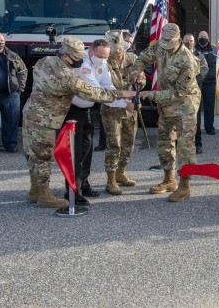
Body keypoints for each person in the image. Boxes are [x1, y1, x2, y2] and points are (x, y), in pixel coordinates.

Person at [23, 36, 135, 208]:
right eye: (77, 58)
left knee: (33, 153)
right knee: (44, 155)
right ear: (66, 56)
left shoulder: (45, 61)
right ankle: (44, 194)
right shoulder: (67, 76)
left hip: (31, 113)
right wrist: (122, 95)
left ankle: (35, 190)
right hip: (46, 118)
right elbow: (93, 93)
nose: (80, 61)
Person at [132, 23, 201, 202]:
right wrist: (135, 70)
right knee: (164, 139)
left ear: (179, 40)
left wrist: (151, 94)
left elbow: (178, 93)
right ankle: (169, 179)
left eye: (170, 44)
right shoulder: (160, 44)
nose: (166, 47)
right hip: (165, 102)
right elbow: (143, 58)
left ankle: (185, 185)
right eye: (164, 43)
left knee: (185, 145)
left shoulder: (187, 60)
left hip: (185, 104)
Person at [62, 39, 111, 204]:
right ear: (90, 51)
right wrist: (123, 98)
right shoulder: (82, 64)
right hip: (72, 111)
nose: (102, 59)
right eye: (99, 55)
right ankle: (72, 191)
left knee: (87, 149)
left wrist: (124, 103)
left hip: (87, 111)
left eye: (105, 56)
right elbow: (96, 89)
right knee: (74, 153)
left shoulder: (103, 65)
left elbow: (108, 86)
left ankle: (83, 183)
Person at [101, 32, 145, 196]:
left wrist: (138, 81)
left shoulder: (132, 59)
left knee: (128, 143)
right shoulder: (104, 63)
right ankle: (110, 180)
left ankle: (121, 173)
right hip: (112, 110)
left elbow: (142, 78)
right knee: (114, 144)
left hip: (131, 109)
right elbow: (105, 90)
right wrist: (124, 98)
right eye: (113, 49)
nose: (116, 52)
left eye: (119, 48)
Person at [183, 33, 208, 154]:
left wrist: (191, 81)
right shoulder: (177, 55)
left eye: (191, 40)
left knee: (196, 120)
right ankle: (179, 144)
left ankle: (198, 143)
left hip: (194, 93)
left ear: (194, 42)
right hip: (180, 94)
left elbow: (204, 70)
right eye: (187, 40)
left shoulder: (199, 55)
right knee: (180, 120)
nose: (189, 42)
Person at [195, 30, 216, 134]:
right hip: (196, 84)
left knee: (209, 106)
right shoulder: (194, 50)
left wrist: (205, 76)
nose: (203, 38)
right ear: (198, 38)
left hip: (210, 83)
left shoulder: (214, 50)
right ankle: (195, 128)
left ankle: (209, 127)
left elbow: (215, 67)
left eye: (205, 36)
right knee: (196, 107)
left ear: (208, 38)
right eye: (201, 36)